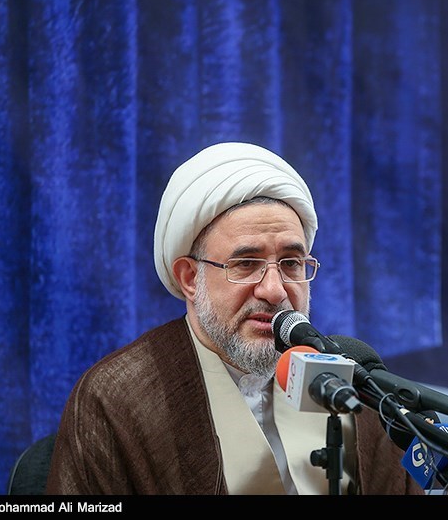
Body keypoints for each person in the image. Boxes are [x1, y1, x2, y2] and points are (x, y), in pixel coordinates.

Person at [45, 141, 424, 495]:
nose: (274, 290)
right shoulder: (117, 400)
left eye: (291, 263)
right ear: (190, 277)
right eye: (246, 264)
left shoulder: (346, 382)